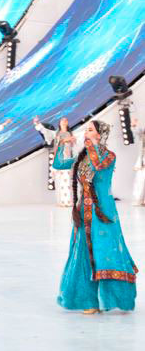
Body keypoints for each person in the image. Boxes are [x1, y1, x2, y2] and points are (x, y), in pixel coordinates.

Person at [55, 121, 137, 313]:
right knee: (83, 251)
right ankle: (89, 301)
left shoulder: (109, 156)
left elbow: (98, 165)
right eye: (86, 130)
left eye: (90, 130)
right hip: (83, 211)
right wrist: (65, 143)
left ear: (100, 135)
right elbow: (59, 164)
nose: (86, 133)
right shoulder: (82, 157)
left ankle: (112, 299)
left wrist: (89, 145)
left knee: (104, 252)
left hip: (103, 212)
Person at [33, 116, 77, 207]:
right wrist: (37, 123)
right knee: (59, 180)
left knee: (68, 180)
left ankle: (68, 201)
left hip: (67, 158)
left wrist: (72, 141)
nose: (64, 121)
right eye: (62, 120)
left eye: (66, 120)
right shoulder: (55, 133)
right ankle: (61, 201)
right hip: (59, 158)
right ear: (60, 123)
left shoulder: (70, 134)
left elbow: (73, 145)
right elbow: (44, 131)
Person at [130, 118, 145, 205]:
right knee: (140, 179)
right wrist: (133, 125)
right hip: (142, 159)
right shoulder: (143, 132)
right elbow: (137, 131)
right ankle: (139, 199)